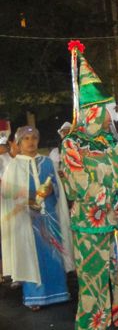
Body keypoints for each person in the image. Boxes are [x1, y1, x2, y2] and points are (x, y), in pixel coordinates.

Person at [61, 42, 118, 329]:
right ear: (92, 112)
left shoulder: (112, 142)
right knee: (93, 289)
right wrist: (112, 199)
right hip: (90, 227)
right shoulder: (71, 144)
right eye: (108, 110)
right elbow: (78, 185)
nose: (113, 116)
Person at [1, 126, 73, 311]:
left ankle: (59, 292)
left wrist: (51, 190)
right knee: (31, 256)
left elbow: (59, 192)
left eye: (34, 138)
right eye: (26, 139)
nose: (31, 142)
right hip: (26, 220)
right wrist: (26, 199)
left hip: (49, 217)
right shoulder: (14, 166)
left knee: (53, 253)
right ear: (18, 143)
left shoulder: (48, 162)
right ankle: (35, 297)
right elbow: (8, 194)